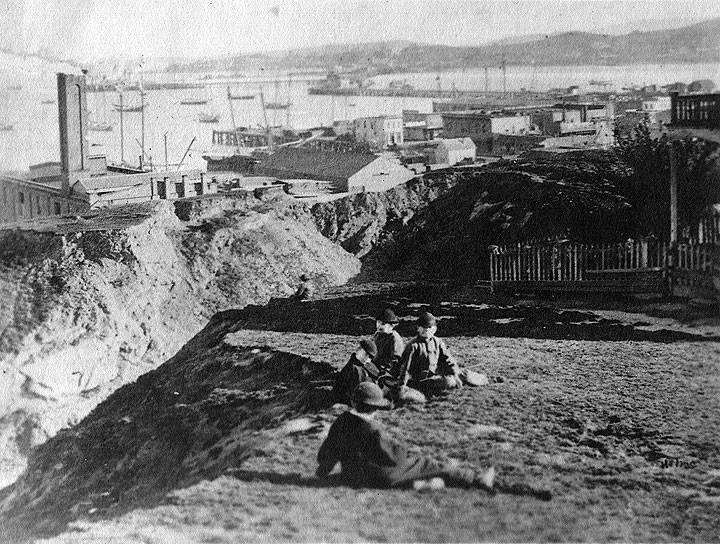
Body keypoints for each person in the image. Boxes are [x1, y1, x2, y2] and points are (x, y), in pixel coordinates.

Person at [317, 382, 496, 491]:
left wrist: (323, 472)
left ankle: (423, 485)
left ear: (354, 402)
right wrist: (403, 449)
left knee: (413, 469)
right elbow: (394, 457)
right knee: (425, 463)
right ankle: (475, 478)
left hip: (351, 475)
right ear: (376, 408)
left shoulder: (341, 421)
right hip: (378, 477)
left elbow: (327, 451)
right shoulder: (372, 430)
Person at [398, 311, 464, 395]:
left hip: (433, 378)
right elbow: (405, 368)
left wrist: (455, 375)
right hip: (416, 380)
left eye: (429, 327)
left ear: (434, 329)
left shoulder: (438, 342)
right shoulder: (412, 345)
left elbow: (448, 360)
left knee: (450, 381)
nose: (426, 330)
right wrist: (402, 385)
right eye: (423, 327)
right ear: (418, 328)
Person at [332, 338, 380, 406]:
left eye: (370, 357)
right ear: (358, 349)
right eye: (366, 354)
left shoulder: (368, 366)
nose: (367, 359)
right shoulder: (351, 368)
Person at [372, 308, 405, 378]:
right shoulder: (378, 335)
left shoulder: (395, 339)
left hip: (388, 371)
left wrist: (385, 371)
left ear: (391, 326)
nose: (379, 326)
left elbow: (395, 360)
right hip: (376, 366)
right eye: (378, 322)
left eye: (383, 324)